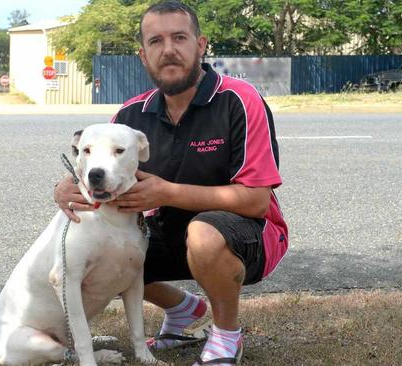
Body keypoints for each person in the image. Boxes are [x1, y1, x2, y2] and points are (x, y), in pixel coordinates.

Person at [54, 1, 288, 364]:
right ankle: (182, 312)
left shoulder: (240, 100)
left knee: (205, 233)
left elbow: (256, 201)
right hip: (166, 228)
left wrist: (166, 192)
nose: (169, 50)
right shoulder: (130, 117)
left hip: (246, 231)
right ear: (143, 55)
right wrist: (68, 187)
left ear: (201, 44)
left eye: (179, 37)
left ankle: (227, 337)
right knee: (103, 247)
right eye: (156, 41)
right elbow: (99, 169)